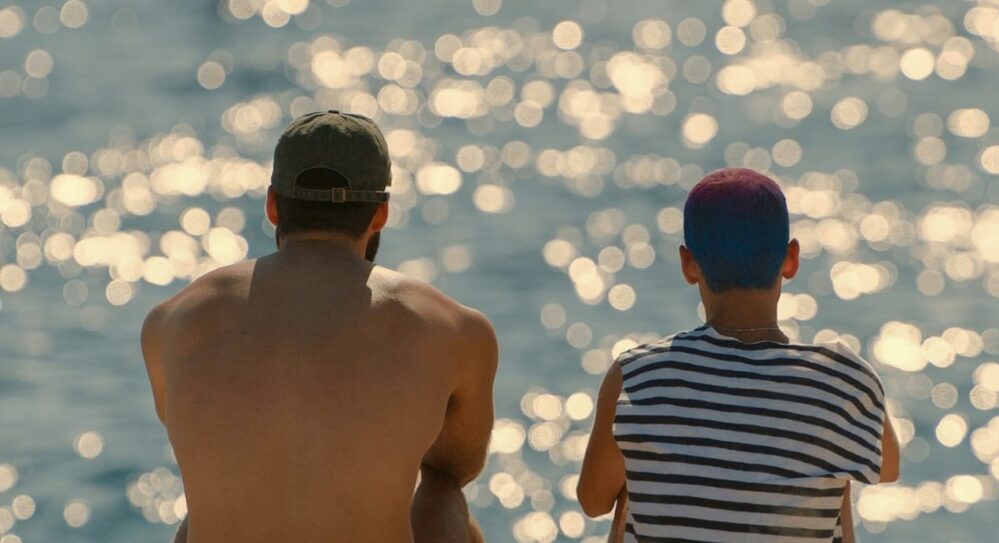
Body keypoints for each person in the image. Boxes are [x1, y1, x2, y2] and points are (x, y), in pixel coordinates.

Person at [141, 111, 497, 543]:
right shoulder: (456, 328)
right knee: (443, 492)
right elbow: (455, 464)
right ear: (380, 213)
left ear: (273, 205)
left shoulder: (170, 323)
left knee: (195, 521)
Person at [577, 168, 899, 543]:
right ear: (791, 259)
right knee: (835, 464)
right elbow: (887, 467)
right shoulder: (844, 380)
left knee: (633, 485)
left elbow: (594, 500)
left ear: (689, 264)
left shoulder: (637, 377)